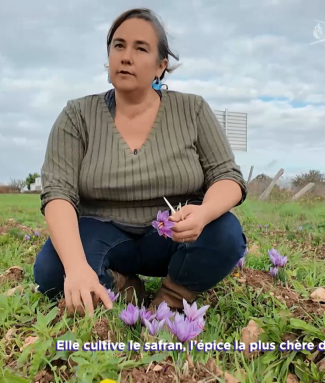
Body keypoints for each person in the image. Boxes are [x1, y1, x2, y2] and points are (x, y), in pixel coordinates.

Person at [33, 8, 247, 317]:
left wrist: (203, 214)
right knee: (53, 272)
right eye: (118, 46)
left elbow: (227, 177)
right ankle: (122, 286)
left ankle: (173, 295)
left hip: (174, 232)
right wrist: (78, 266)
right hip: (100, 228)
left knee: (225, 235)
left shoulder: (193, 110)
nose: (125, 56)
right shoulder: (77, 115)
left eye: (140, 48)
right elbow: (57, 193)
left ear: (160, 66)